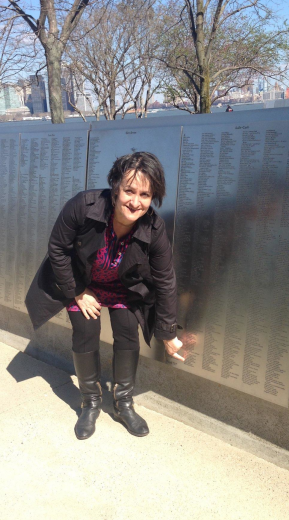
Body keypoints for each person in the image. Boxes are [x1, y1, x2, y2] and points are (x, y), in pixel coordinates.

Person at [25, 152, 184, 441]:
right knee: (85, 330)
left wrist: (168, 332)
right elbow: (57, 248)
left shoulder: (154, 228)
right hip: (83, 282)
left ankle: (123, 403)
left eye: (145, 195)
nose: (135, 201)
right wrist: (77, 292)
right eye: (129, 190)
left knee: (127, 332)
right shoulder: (83, 206)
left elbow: (165, 279)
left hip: (122, 286)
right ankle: (91, 402)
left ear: (153, 198)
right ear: (115, 187)